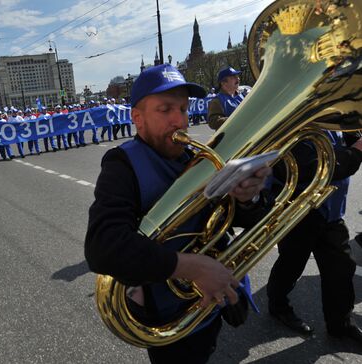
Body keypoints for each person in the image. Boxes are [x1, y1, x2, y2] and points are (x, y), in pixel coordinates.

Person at [85, 63, 271, 364]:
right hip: (169, 316)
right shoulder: (121, 164)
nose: (179, 120)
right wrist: (192, 268)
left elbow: (235, 218)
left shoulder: (196, 157)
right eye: (165, 110)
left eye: (183, 109)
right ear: (137, 118)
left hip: (211, 301)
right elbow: (102, 247)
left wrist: (249, 197)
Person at [267, 131, 362, 342]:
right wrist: (356, 151)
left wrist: (354, 136)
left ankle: (340, 325)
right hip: (300, 213)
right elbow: (317, 167)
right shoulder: (297, 126)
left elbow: (348, 139)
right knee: (291, 265)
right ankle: (278, 306)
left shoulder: (332, 120)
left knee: (341, 268)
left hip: (331, 212)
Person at [207, 66, 244, 130]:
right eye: (233, 77)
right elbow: (213, 122)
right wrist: (236, 119)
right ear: (223, 83)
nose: (238, 79)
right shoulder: (217, 101)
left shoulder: (241, 96)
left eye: (237, 76)